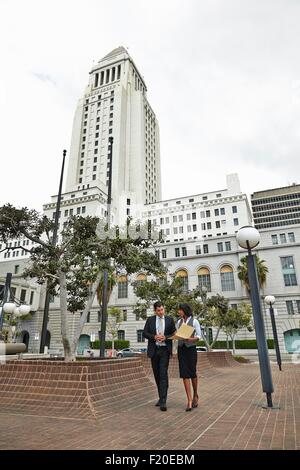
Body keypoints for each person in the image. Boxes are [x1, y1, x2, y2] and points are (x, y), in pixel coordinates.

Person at [143, 301, 176, 411]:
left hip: (165, 350)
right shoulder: (150, 320)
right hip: (154, 350)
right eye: (158, 310)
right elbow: (144, 333)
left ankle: (163, 401)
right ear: (155, 311)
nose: (161, 312)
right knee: (157, 375)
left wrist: (165, 337)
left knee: (163, 374)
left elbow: (174, 334)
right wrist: (154, 337)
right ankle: (161, 397)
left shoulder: (169, 320)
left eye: (162, 309)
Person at [177, 303, 201, 411]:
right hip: (181, 349)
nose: (179, 312)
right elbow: (178, 334)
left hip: (191, 349)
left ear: (184, 310)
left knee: (192, 373)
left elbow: (198, 337)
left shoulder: (194, 321)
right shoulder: (179, 322)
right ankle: (189, 400)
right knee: (184, 374)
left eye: (180, 310)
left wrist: (190, 339)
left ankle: (195, 394)